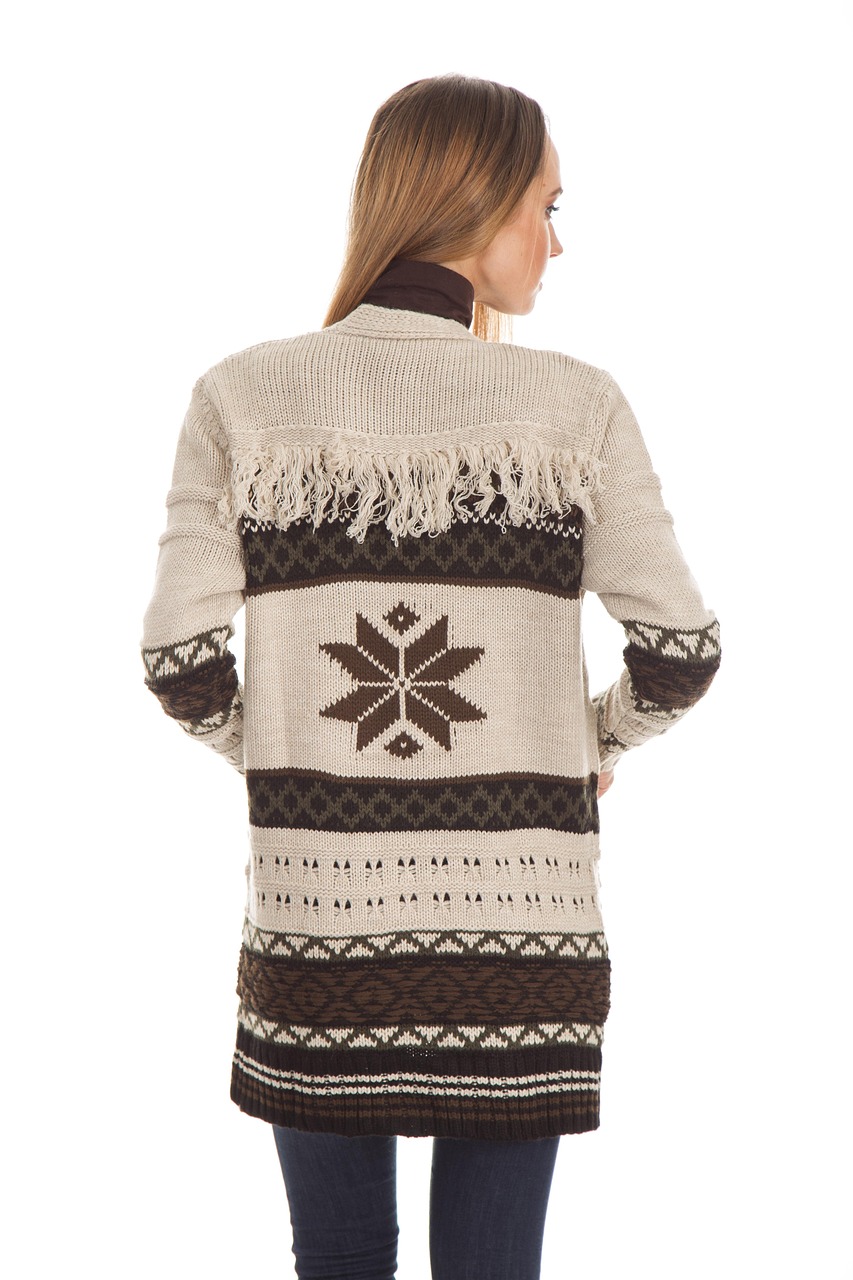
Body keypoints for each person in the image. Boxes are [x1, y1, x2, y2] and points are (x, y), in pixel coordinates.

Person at [141, 73, 720, 1280]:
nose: (555, 242)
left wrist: (287, 750)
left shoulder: (241, 395)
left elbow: (178, 661)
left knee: (338, 1256)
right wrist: (588, 745)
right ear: (483, 200)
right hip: (521, 934)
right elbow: (680, 650)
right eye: (547, 206)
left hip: (316, 926)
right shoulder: (572, 407)